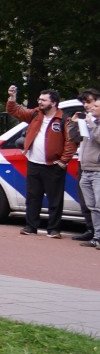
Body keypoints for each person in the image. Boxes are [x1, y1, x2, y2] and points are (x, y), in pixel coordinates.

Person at [6, 85, 78, 237]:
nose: (40, 102)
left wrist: (63, 161)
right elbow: (15, 111)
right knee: (33, 197)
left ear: (54, 103)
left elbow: (71, 142)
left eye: (44, 100)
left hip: (54, 165)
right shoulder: (35, 114)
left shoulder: (64, 119)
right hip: (34, 163)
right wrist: (12, 98)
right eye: (39, 99)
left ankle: (54, 229)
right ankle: (31, 227)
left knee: (55, 200)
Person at [78, 89, 100, 247]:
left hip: (98, 171)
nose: (91, 107)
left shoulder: (93, 124)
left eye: (96, 106)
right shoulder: (90, 123)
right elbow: (76, 139)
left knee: (99, 206)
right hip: (86, 169)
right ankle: (97, 237)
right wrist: (74, 125)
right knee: (92, 207)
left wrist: (91, 124)